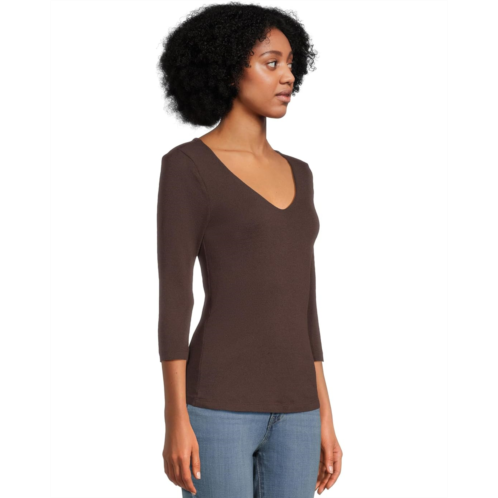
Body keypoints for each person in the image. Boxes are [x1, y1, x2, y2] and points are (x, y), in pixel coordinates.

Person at [157, 3, 342, 497]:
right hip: (218, 407)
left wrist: (325, 414)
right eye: (271, 62)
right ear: (226, 69)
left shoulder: (300, 173)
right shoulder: (188, 166)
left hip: (299, 412)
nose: (288, 76)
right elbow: (175, 299)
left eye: (291, 64)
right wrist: (175, 418)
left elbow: (305, 305)